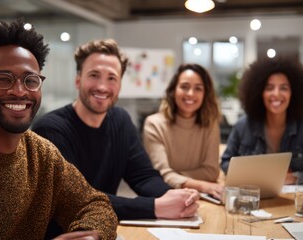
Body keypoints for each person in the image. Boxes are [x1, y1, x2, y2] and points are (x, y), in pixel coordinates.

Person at [0, 19, 117, 240]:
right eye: (3, 79)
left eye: (30, 80)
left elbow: (96, 204)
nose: (19, 91)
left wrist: (89, 237)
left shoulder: (41, 154)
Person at [32, 39, 199, 224]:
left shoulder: (121, 121)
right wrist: (155, 206)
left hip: (105, 228)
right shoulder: (51, 129)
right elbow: (75, 198)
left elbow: (143, 176)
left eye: (111, 78)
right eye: (94, 75)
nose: (102, 87)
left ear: (120, 84)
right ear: (78, 80)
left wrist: (174, 196)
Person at [220, 57, 303, 185]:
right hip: (254, 197)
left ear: (293, 93)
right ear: (260, 93)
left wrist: (294, 177)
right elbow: (225, 162)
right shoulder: (243, 126)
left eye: (283, 88)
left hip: (294, 200)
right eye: (269, 88)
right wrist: (253, 176)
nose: (276, 94)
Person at [142, 64, 224, 199]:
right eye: (184, 87)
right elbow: (161, 175)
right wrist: (201, 185)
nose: (190, 93)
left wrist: (175, 176)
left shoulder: (210, 124)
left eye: (198, 88)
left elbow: (211, 171)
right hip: (165, 197)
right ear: (173, 90)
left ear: (205, 94)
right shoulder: (154, 124)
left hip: (201, 198)